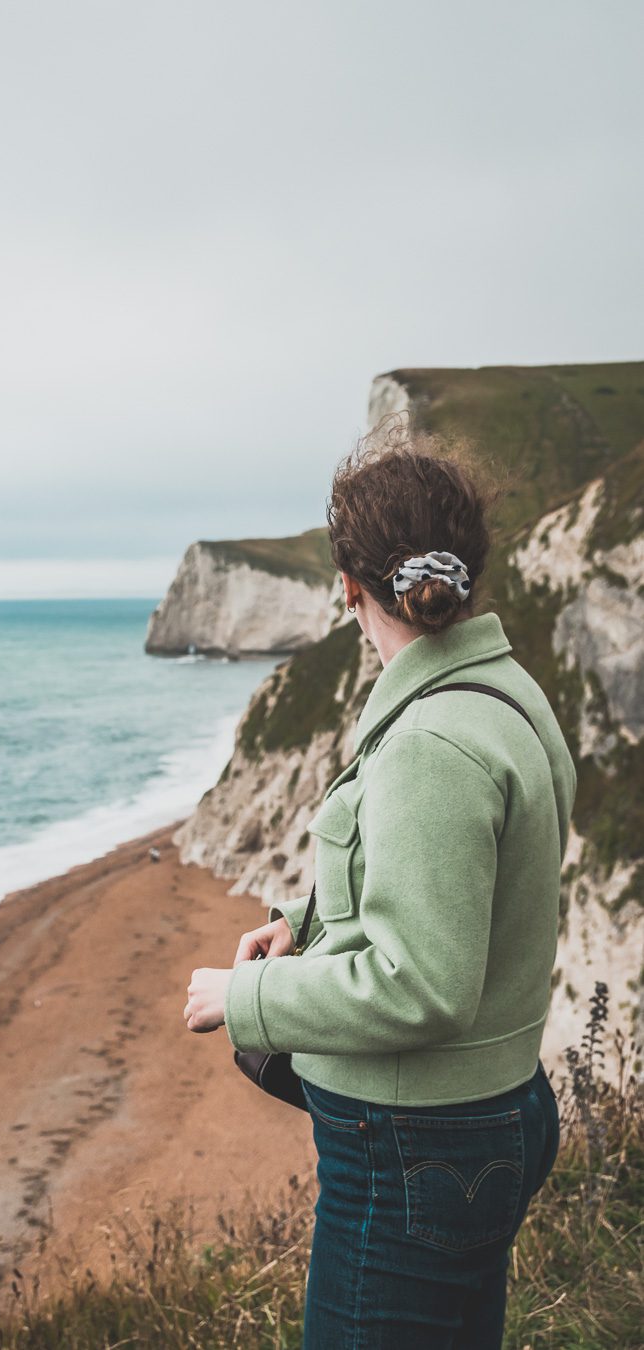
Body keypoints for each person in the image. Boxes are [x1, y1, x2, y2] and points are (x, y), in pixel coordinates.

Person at [183, 423, 576, 1348]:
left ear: (352, 591)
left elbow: (422, 985)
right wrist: (304, 925)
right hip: (490, 1113)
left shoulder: (431, 742)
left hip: (415, 1150)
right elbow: (448, 884)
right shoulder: (508, 695)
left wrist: (246, 996)